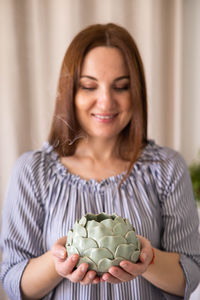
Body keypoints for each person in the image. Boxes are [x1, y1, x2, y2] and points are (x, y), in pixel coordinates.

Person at [0, 23, 200, 300]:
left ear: (137, 91)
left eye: (121, 86)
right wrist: (57, 264)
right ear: (70, 91)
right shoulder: (32, 171)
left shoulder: (167, 167)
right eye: (89, 86)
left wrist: (147, 260)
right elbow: (11, 281)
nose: (105, 102)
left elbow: (189, 274)